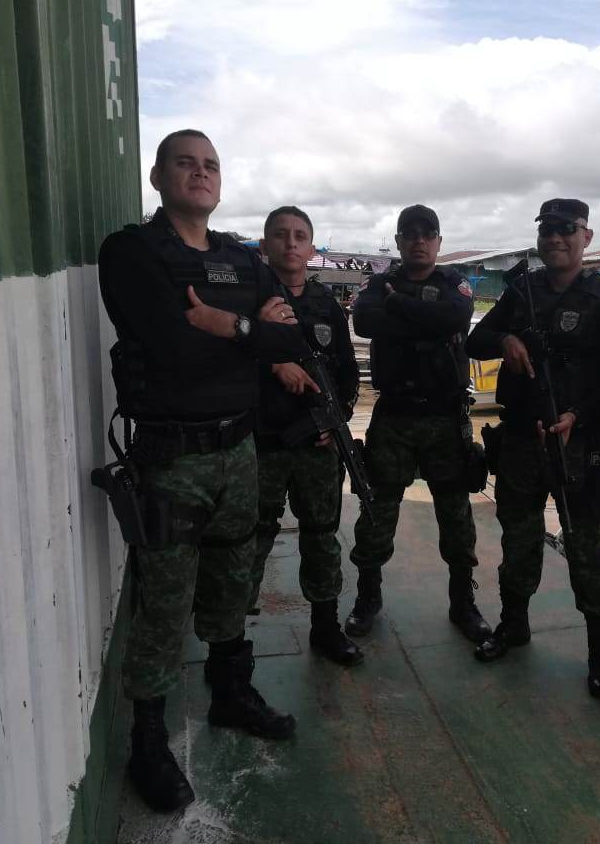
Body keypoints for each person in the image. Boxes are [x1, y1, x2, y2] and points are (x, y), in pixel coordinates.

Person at [97, 130, 307, 812]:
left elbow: (289, 335)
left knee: (232, 577)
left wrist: (229, 326)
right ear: (158, 178)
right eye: (185, 163)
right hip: (173, 455)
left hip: (239, 449)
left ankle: (229, 692)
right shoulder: (132, 252)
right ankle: (148, 740)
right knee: (164, 599)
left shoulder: (240, 258)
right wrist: (251, 332)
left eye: (211, 164)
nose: (201, 173)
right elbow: (170, 348)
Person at [465, 199, 600, 698]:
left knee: (586, 549)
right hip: (521, 438)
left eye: (566, 229)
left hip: (579, 442)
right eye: (547, 230)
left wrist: (578, 414)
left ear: (587, 236)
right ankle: (513, 624)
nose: (556, 238)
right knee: (518, 540)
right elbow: (476, 341)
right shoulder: (523, 291)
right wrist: (507, 339)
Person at [344, 205, 490, 643]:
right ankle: (367, 598)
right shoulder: (377, 283)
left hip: (445, 417)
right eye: (410, 234)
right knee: (377, 510)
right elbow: (365, 321)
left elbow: (454, 318)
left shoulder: (453, 283)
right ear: (399, 241)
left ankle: (463, 602)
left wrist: (398, 306)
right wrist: (422, 319)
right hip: (395, 416)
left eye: (428, 234)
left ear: (439, 242)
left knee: (456, 514)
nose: (419, 241)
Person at [249, 205, 363, 666]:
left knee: (321, 535)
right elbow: (227, 359)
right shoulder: (250, 300)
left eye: (300, 236)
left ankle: (326, 626)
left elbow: (348, 371)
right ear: (264, 246)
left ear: (312, 249)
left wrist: (338, 420)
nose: (291, 243)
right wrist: (273, 362)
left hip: (317, 444)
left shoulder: (325, 304)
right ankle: (231, 642)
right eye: (280, 235)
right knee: (252, 537)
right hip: (265, 441)